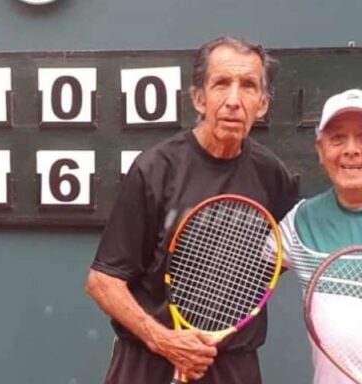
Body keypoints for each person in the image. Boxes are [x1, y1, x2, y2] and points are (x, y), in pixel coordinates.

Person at [85, 36, 299, 384]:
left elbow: (282, 257)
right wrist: (165, 340)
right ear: (199, 97)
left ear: (262, 103)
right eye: (221, 84)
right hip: (150, 359)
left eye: (247, 86)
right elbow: (103, 282)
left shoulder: (271, 174)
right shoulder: (155, 168)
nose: (233, 100)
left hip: (233, 365)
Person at [268, 88, 362, 384]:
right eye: (337, 139)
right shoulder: (301, 221)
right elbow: (240, 281)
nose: (351, 150)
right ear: (320, 152)